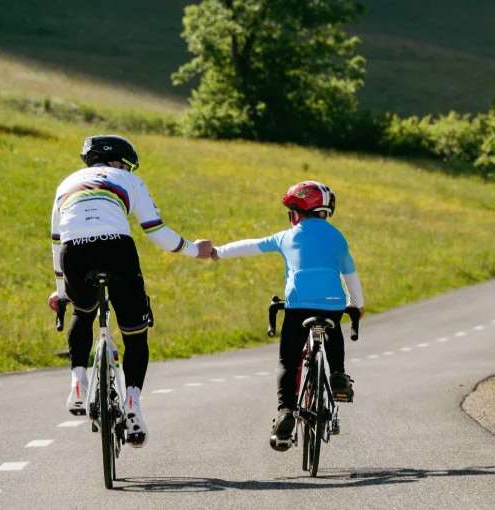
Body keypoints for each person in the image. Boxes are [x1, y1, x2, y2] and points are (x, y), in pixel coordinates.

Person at [46, 134, 214, 448]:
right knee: (135, 333)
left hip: (73, 252)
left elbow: (57, 242)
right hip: (116, 250)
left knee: (82, 313)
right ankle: (133, 404)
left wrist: (62, 291)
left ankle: (78, 384)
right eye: (126, 164)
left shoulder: (65, 184)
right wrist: (196, 250)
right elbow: (156, 232)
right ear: (114, 161)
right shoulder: (127, 181)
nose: (127, 169)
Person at [213, 180, 365, 451]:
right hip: (332, 303)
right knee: (332, 330)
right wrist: (357, 304)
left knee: (289, 361)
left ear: (297, 212)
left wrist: (218, 253)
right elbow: (350, 275)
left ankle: (285, 411)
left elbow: (252, 245)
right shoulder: (338, 237)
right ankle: (339, 375)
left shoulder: (287, 236)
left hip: (298, 305)